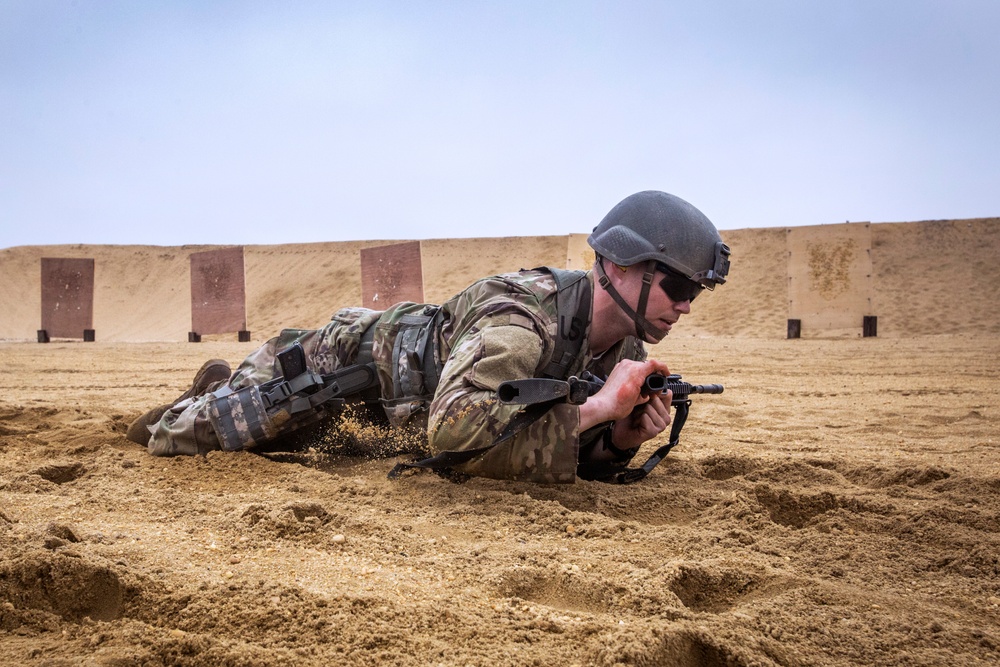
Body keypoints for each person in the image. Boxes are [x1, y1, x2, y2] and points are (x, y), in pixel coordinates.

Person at [126, 190, 730, 484]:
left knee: (313, 451)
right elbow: (456, 431)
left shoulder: (624, 351)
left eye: (693, 292)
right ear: (620, 266)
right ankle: (206, 393)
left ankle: (218, 386)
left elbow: (556, 454)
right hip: (332, 372)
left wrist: (618, 437)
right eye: (676, 284)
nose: (683, 304)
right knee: (178, 440)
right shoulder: (522, 317)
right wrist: (598, 406)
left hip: (383, 423)